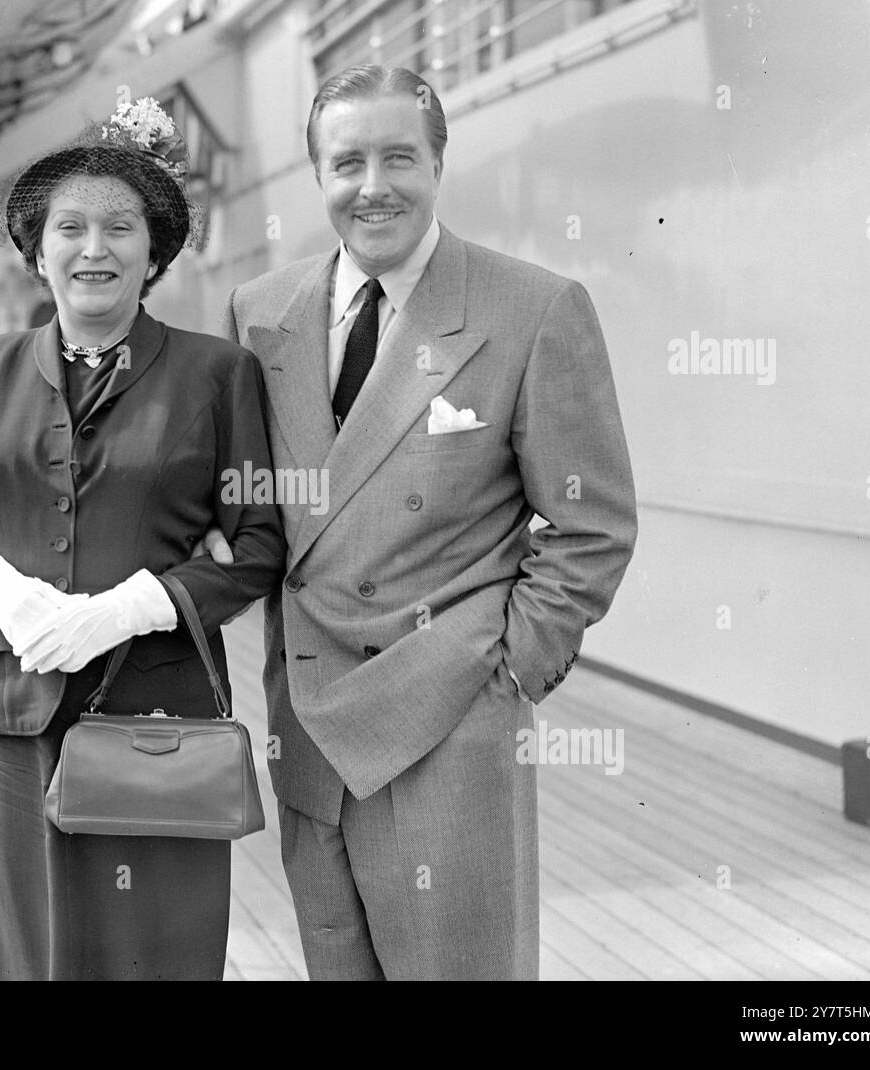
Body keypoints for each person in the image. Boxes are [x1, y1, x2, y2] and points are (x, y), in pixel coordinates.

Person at [218, 65, 638, 979]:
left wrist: (509, 668)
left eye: (399, 157)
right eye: (348, 162)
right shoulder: (261, 315)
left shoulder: (531, 309)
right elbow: (245, 507)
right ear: (318, 176)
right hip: (310, 727)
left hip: (447, 722)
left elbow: (592, 523)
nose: (374, 186)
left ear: (439, 162)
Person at [0, 98, 285, 981]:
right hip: (15, 726)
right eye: (69, 227)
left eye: (121, 227)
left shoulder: (217, 374)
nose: (94, 248)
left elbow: (260, 542)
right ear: (37, 252)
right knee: (22, 954)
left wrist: (129, 608)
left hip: (158, 732)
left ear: (154, 252)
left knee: (153, 955)